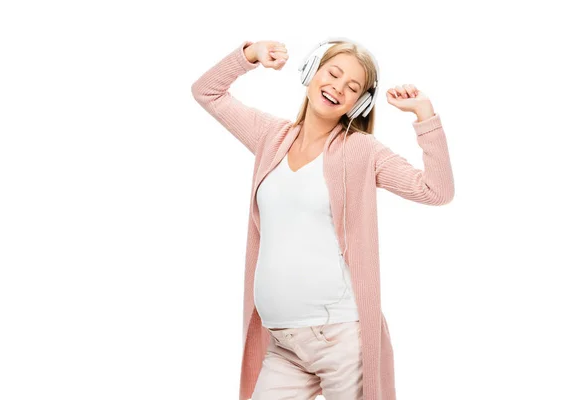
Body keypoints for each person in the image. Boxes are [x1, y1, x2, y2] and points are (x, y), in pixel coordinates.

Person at [191, 37, 455, 400]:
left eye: (352, 88)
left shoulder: (362, 151)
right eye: (332, 73)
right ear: (311, 72)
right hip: (283, 343)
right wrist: (249, 56)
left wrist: (425, 117)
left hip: (341, 340)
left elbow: (435, 191)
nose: (337, 88)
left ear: (359, 103)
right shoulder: (272, 137)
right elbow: (208, 92)